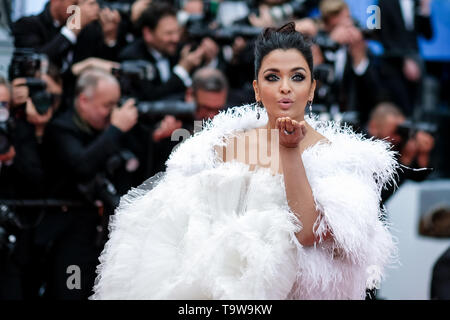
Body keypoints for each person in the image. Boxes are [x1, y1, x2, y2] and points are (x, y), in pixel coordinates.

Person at [91, 22, 398, 300]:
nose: (285, 87)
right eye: (272, 77)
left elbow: (307, 232)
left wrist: (290, 150)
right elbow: (185, 239)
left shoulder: (339, 157)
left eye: (298, 77)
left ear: (312, 89)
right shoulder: (219, 147)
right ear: (256, 89)